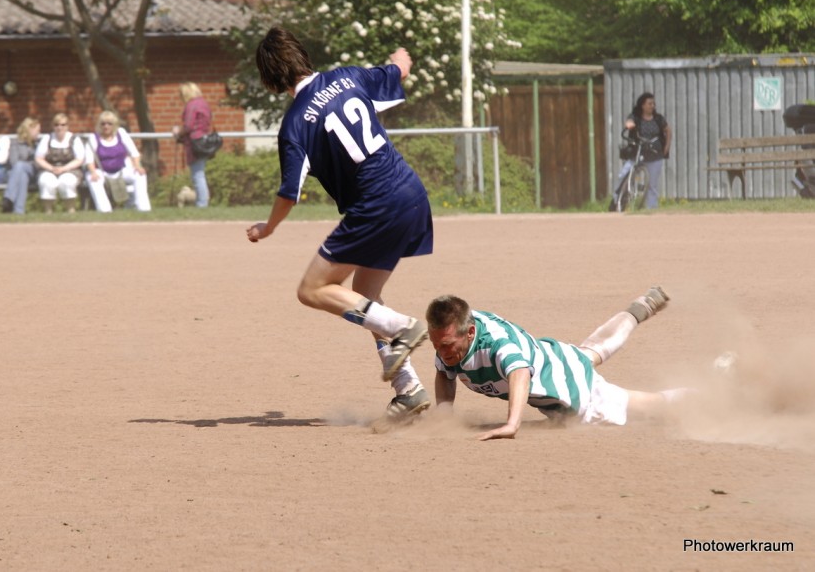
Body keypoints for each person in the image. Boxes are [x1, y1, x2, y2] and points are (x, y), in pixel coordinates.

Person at [246, 26, 434, 424]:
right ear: (302, 56)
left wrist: (268, 227)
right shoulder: (348, 77)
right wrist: (401, 59)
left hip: (376, 205)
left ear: (270, 79)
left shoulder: (295, 124)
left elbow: (289, 192)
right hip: (411, 192)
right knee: (365, 297)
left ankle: (402, 327)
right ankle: (408, 389)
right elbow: (397, 70)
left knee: (312, 289)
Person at [427, 287, 688, 441]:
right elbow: (445, 373)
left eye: (447, 344)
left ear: (470, 332)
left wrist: (512, 424)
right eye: (435, 343)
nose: (441, 351)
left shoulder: (497, 345)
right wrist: (444, 417)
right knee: (586, 354)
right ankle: (637, 311)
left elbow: (519, 372)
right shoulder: (457, 330)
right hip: (555, 356)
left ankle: (707, 397)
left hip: (576, 392)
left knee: (652, 407)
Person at [85, 111, 151, 212]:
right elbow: (89, 160)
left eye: (109, 124)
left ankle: (143, 208)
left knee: (140, 175)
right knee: (93, 179)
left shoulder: (121, 133)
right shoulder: (94, 138)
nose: (106, 126)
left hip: (121, 170)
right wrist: (93, 172)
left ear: (114, 125)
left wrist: (137, 166)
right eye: (103, 124)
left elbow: (134, 153)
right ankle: (105, 210)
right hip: (102, 172)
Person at [618, 92, 672, 209]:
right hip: (637, 153)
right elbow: (629, 121)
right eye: (649, 103)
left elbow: (668, 130)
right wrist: (629, 125)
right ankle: (617, 200)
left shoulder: (658, 119)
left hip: (655, 154)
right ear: (642, 105)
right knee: (623, 175)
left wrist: (667, 146)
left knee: (652, 184)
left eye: (653, 103)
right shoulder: (636, 117)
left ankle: (651, 208)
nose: (652, 106)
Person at [35, 113, 86, 214]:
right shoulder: (47, 138)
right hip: (49, 169)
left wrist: (64, 169)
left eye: (63, 125)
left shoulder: (74, 139)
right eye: (57, 125)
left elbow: (79, 159)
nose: (60, 127)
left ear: (67, 126)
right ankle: (48, 212)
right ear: (53, 126)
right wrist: (51, 168)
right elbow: (39, 158)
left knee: (67, 181)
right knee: (46, 181)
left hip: (71, 170)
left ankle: (71, 211)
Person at [173, 82, 212, 207]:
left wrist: (178, 132)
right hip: (204, 140)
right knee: (200, 173)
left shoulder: (191, 105)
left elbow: (188, 126)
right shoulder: (204, 103)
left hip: (194, 143)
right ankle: (202, 202)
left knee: (197, 175)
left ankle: (202, 203)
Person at [1, 117, 42, 214]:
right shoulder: (15, 143)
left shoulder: (39, 144)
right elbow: (13, 162)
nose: (39, 133)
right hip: (17, 174)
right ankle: (18, 211)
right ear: (29, 129)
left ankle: (8, 198)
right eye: (37, 130)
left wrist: (25, 163)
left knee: (20, 166)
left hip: (34, 173)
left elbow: (38, 163)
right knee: (22, 175)